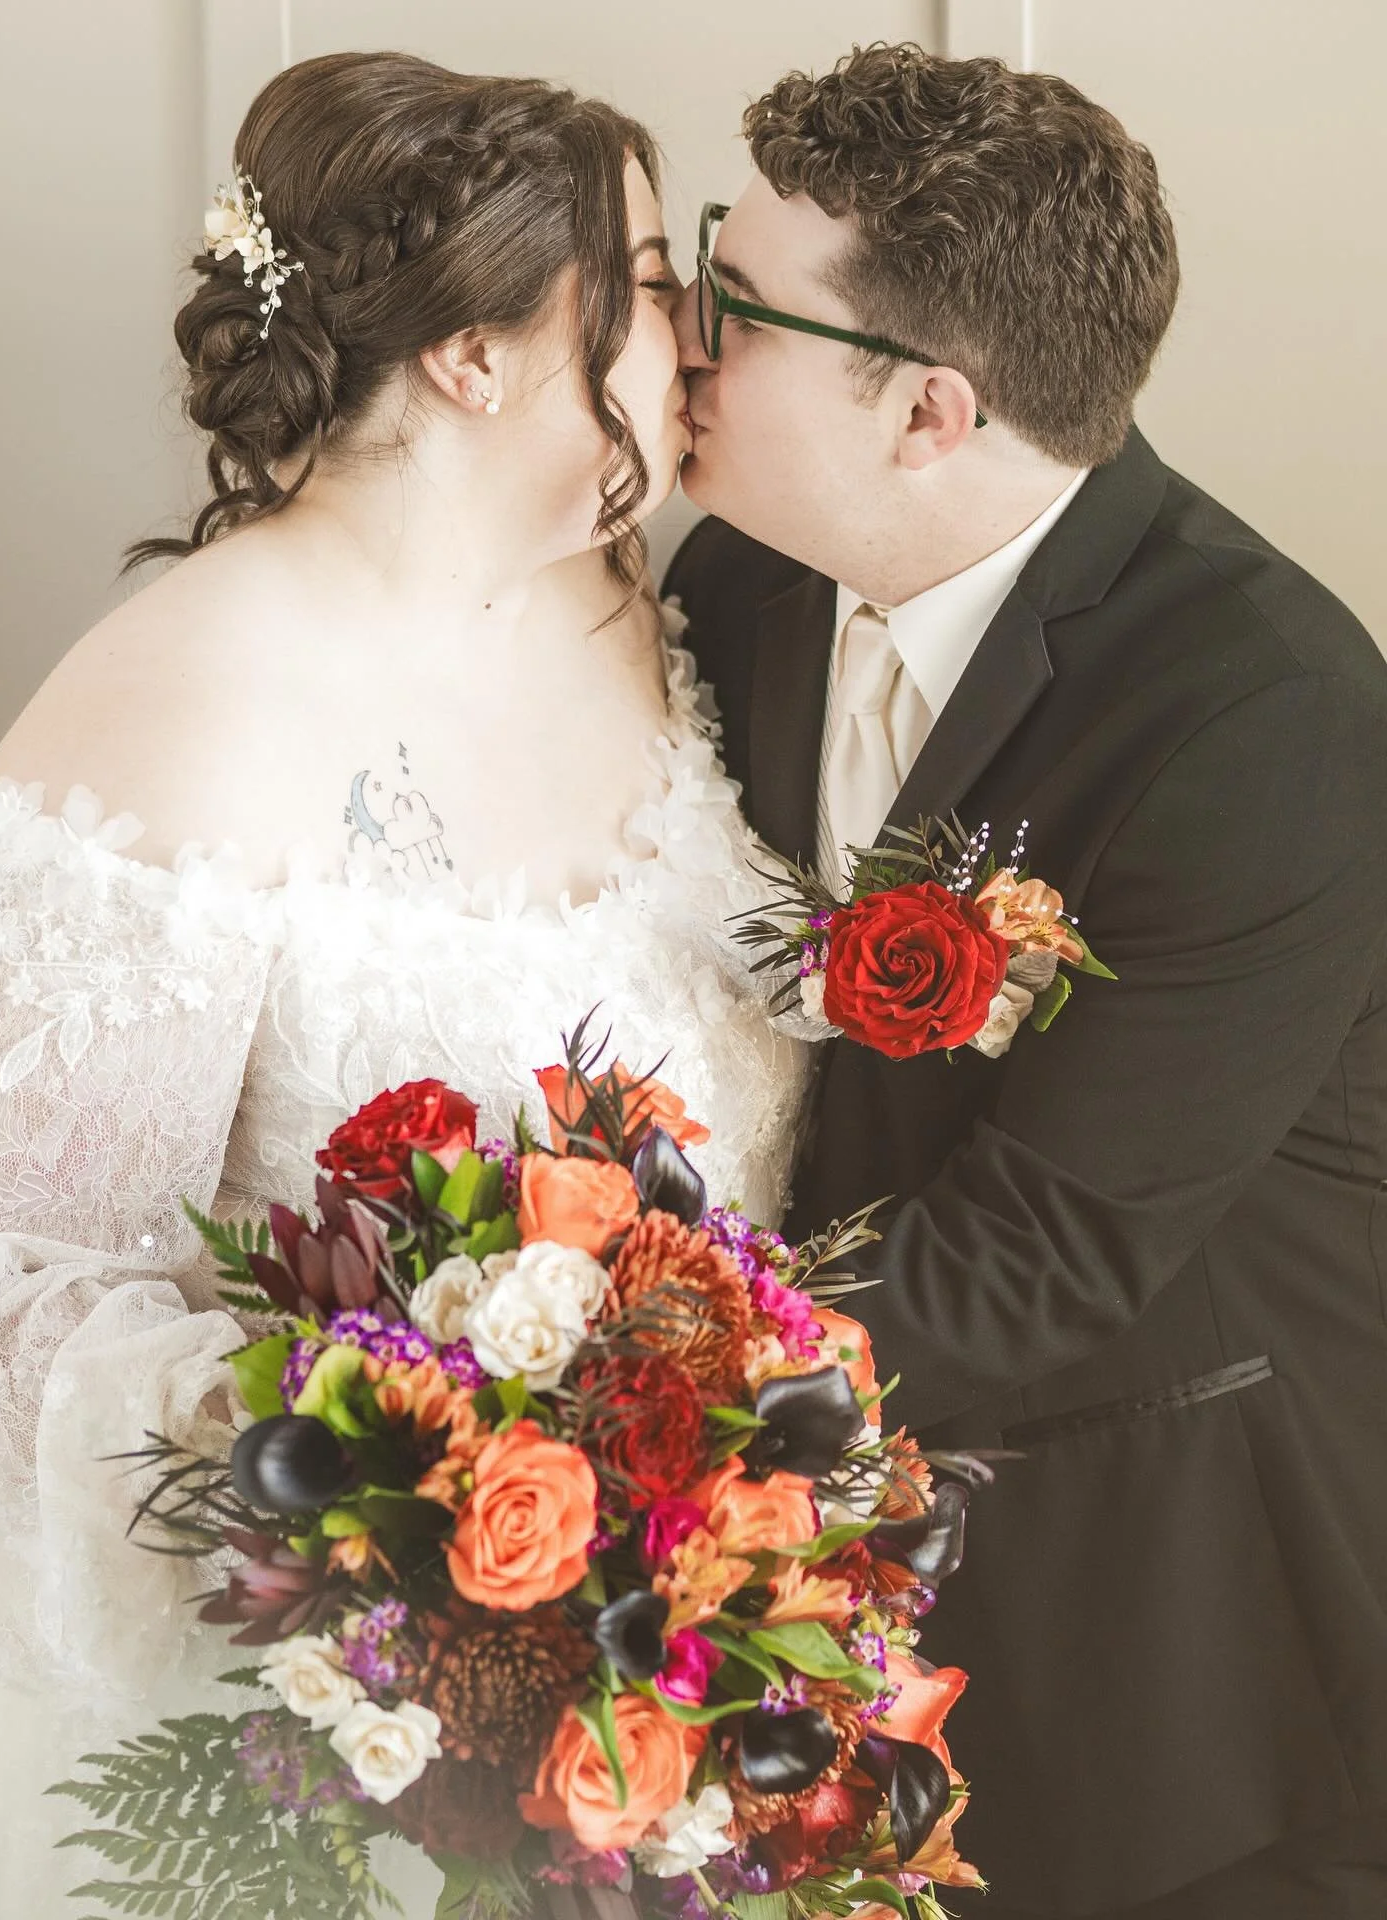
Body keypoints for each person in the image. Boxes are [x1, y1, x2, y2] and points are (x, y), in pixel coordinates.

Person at [0, 51, 813, 1916]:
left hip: (672, 1673)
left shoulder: (647, 611)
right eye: (654, 288)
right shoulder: (189, 694)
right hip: (338, 1731)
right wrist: (388, 1450)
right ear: (475, 357)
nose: (697, 338)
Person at [664, 41, 1387, 1920]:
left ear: (930, 410)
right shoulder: (736, 584)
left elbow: (1038, 1260)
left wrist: (607, 1424)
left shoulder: (1271, 715)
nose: (676, 340)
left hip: (1175, 1627)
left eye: (731, 306)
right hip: (813, 1606)